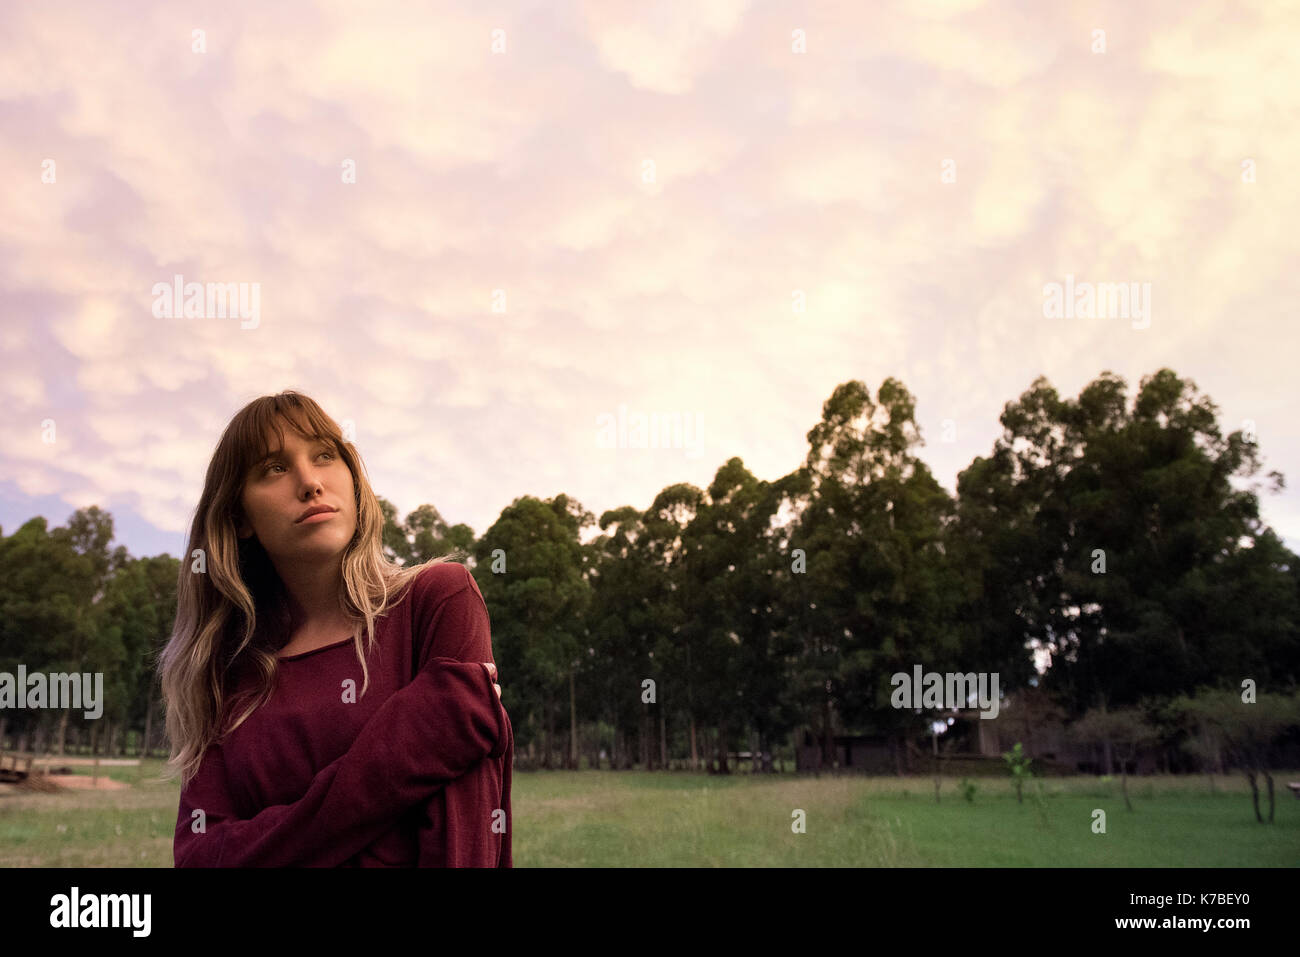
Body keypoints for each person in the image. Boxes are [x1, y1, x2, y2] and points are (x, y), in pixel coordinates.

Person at [159, 390, 512, 866]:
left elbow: (461, 834)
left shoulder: (437, 601)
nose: (310, 483)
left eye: (325, 455)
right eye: (274, 468)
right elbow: (201, 856)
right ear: (240, 518)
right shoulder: (228, 675)